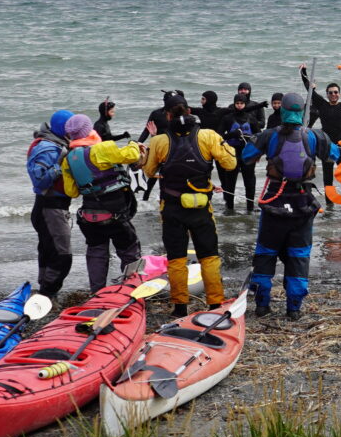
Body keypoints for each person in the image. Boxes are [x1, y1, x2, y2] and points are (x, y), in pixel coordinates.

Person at [241, 90, 341, 319]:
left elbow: (246, 157)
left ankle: (262, 306)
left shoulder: (269, 135)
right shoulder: (314, 136)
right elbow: (334, 156)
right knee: (298, 256)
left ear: (283, 110)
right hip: (302, 205)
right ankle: (293, 309)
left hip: (274, 204)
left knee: (266, 254)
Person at [140, 92, 237, 316]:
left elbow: (149, 172)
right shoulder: (209, 136)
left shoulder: (159, 141)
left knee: (176, 258)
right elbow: (230, 163)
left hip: (172, 208)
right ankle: (215, 304)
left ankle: (180, 307)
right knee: (209, 255)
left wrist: (149, 149)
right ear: (189, 110)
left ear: (167, 114)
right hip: (201, 208)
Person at [60, 113, 147, 292]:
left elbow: (72, 192)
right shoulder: (102, 149)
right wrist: (134, 144)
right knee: (129, 251)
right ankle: (131, 289)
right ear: (88, 131)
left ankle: (97, 292)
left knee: (96, 253)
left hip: (89, 216)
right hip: (115, 213)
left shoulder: (68, 160)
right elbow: (131, 155)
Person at [25, 109, 84, 299]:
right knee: (62, 254)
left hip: (51, 208)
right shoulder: (48, 148)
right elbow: (39, 181)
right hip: (49, 208)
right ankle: (48, 291)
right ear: (62, 128)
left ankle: (45, 288)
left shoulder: (59, 144)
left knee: (48, 249)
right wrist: (60, 165)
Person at [301, 64, 341, 195]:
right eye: (330, 92)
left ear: (339, 94)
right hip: (327, 147)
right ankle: (329, 209)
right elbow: (309, 90)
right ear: (327, 94)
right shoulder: (322, 105)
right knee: (328, 181)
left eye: (335, 92)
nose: (333, 94)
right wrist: (303, 71)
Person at [220, 83, 265, 213]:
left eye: (241, 103)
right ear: (234, 104)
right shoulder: (227, 118)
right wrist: (231, 135)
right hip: (232, 153)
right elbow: (219, 136)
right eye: (237, 103)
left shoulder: (251, 119)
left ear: (245, 104)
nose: (239, 105)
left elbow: (259, 137)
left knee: (249, 181)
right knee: (230, 181)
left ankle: (250, 208)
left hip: (247, 154)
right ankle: (229, 209)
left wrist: (257, 152)